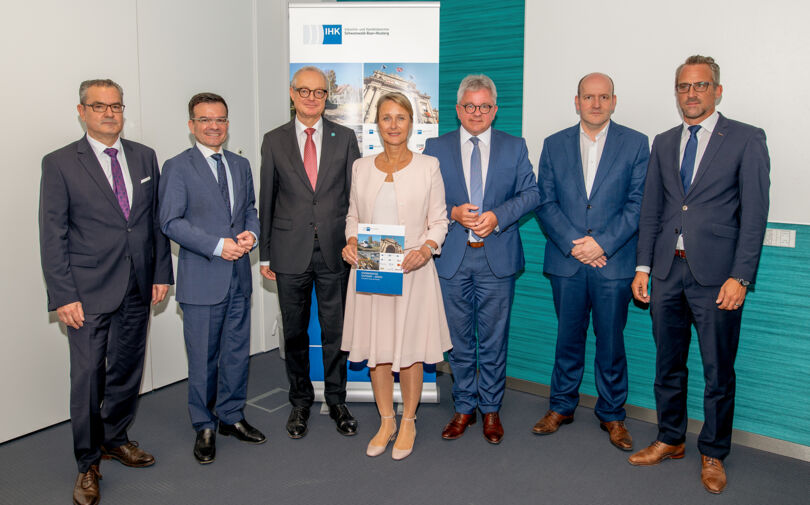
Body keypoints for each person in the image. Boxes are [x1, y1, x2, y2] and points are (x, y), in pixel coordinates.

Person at [628, 55, 770, 494]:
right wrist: (643, 266)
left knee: (717, 371)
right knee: (667, 365)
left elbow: (755, 215)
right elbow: (652, 209)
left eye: (701, 86)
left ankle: (713, 452)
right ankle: (670, 438)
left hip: (718, 278)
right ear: (676, 92)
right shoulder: (664, 141)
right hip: (668, 272)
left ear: (717, 91)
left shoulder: (746, 139)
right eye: (684, 87)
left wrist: (741, 276)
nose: (691, 94)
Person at [39, 79, 173, 505]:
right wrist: (63, 295)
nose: (109, 113)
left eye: (115, 106)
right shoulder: (60, 163)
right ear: (82, 112)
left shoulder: (143, 156)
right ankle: (87, 463)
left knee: (126, 372)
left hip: (137, 287)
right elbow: (53, 234)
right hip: (87, 291)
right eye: (99, 107)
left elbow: (152, 224)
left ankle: (116, 438)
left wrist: (160, 274)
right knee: (88, 379)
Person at [533, 73, 649, 450]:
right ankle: (561, 406)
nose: (595, 104)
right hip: (567, 263)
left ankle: (613, 415)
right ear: (577, 101)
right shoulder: (553, 144)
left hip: (612, 264)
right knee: (567, 338)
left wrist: (601, 244)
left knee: (611, 342)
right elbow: (545, 202)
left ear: (614, 101)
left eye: (603, 97)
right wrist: (574, 244)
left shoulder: (635, 144)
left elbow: (638, 204)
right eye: (588, 97)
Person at [424, 74, 540, 444]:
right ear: (458, 110)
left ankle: (490, 409)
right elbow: (423, 199)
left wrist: (499, 216)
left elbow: (532, 194)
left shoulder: (514, 146)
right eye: (470, 106)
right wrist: (453, 212)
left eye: (484, 106)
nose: (477, 112)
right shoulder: (435, 147)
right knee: (458, 342)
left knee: (493, 339)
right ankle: (463, 408)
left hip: (497, 259)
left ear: (494, 110)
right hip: (452, 258)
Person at [341, 92, 451, 460]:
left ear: (411, 123)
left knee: (411, 351)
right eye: (386, 118)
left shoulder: (428, 166)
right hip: (372, 270)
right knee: (379, 348)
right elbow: (352, 216)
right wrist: (352, 241)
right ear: (377, 124)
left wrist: (427, 248)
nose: (393, 125)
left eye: (400, 117)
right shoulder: (361, 166)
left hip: (412, 270)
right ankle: (387, 420)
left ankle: (409, 421)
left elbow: (439, 220)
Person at [159, 93, 264, 464]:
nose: (213, 126)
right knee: (203, 358)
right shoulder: (177, 167)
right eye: (205, 120)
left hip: (239, 277)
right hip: (203, 276)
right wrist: (218, 246)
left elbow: (250, 209)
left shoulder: (240, 164)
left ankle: (231, 416)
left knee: (236, 353)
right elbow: (170, 222)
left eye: (220, 119)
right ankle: (204, 423)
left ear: (227, 123)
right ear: (191, 125)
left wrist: (251, 234)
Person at [259, 66, 361, 438]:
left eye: (319, 92)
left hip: (336, 252)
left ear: (326, 97)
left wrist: (356, 241)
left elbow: (355, 197)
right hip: (289, 252)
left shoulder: (345, 137)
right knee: (295, 332)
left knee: (336, 331)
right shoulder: (274, 140)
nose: (311, 97)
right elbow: (267, 198)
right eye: (304, 91)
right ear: (292, 93)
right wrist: (265, 255)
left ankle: (337, 400)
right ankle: (300, 402)